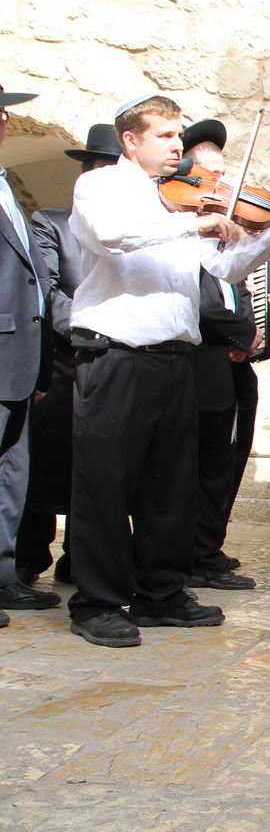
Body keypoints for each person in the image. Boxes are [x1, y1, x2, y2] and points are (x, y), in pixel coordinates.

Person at [65, 94, 270, 648]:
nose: (177, 145)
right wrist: (195, 225)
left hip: (176, 361)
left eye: (178, 135)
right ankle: (98, 601)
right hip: (118, 356)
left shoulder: (177, 207)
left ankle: (161, 593)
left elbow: (223, 267)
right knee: (106, 485)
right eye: (164, 135)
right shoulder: (104, 187)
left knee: (169, 487)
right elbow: (111, 236)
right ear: (131, 140)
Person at [15, 123, 121, 586]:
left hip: (112, 362)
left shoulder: (134, 228)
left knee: (95, 472)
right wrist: (82, 325)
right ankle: (27, 558)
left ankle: (80, 560)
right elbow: (49, 287)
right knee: (46, 467)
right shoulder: (51, 222)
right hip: (65, 362)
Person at [180, 121, 262, 591]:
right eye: (211, 175)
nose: (222, 186)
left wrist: (255, 323)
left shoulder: (227, 235)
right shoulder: (188, 229)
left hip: (235, 367)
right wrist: (242, 330)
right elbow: (202, 301)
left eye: (224, 175)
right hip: (204, 363)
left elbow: (242, 289)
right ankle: (194, 554)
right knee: (201, 465)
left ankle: (208, 546)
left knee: (227, 463)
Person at [0, 82, 53, 627]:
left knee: (13, 474)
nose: (6, 122)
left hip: (19, 353)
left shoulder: (5, 184)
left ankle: (4, 575)